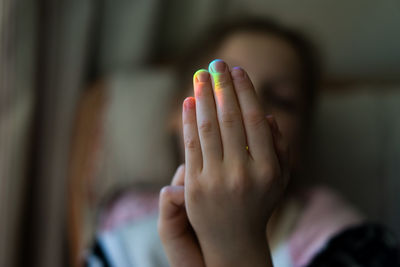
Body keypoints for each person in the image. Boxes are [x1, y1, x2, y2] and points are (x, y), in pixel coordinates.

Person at [87, 18, 399, 267]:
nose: (250, 110)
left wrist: (236, 246)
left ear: (300, 144)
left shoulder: (350, 242)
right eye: (220, 89)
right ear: (173, 112)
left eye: (282, 99)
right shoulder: (123, 235)